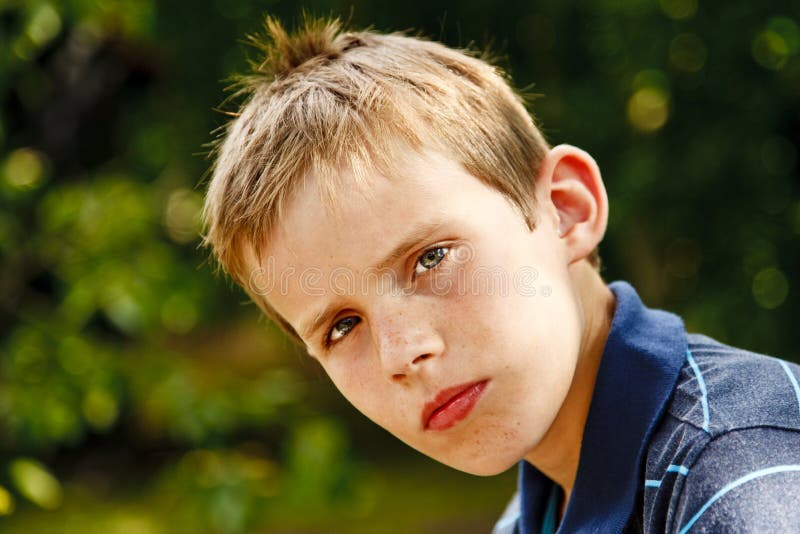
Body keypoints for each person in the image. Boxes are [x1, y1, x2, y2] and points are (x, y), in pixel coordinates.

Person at [201, 15, 800, 533]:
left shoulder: (741, 478)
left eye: (430, 258)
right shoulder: (528, 515)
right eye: (341, 326)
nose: (401, 353)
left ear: (566, 210)